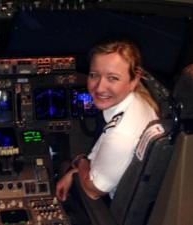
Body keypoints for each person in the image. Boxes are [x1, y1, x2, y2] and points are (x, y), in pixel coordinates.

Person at [56, 39, 159, 202]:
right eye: (94, 75)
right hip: (118, 185)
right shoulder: (140, 101)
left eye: (112, 78)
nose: (99, 87)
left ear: (134, 80)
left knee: (61, 165)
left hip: (110, 207)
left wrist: (80, 161)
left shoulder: (121, 135)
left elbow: (93, 190)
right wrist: (75, 171)